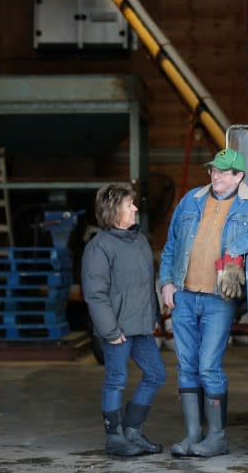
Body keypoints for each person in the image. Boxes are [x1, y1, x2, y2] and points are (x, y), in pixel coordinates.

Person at [160, 147, 248, 457]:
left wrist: (236, 247)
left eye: (222, 171)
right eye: (213, 170)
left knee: (208, 367)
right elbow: (171, 244)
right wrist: (166, 283)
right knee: (186, 366)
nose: (215, 175)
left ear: (238, 175)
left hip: (218, 299)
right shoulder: (192, 200)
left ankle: (217, 437)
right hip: (185, 295)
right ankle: (192, 435)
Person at [81, 183, 167, 456]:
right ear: (114, 210)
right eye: (130, 205)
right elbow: (95, 294)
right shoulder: (99, 247)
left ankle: (132, 430)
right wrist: (109, 329)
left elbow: (146, 284)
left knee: (156, 374)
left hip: (140, 326)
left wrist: (153, 316)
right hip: (117, 328)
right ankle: (114, 438)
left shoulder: (139, 240)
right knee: (116, 380)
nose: (136, 209)